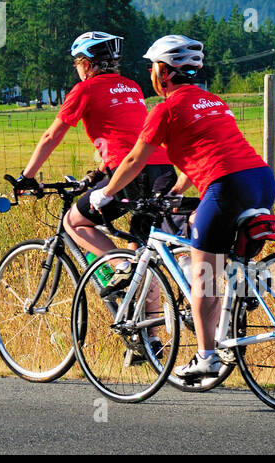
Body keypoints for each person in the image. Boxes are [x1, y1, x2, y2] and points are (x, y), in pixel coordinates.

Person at [88, 35, 275, 380]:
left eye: (152, 67)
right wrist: (176, 189)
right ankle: (246, 284)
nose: (150, 73)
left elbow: (133, 159)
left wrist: (106, 194)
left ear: (164, 72)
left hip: (226, 185)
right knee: (218, 251)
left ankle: (207, 357)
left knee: (204, 274)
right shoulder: (212, 101)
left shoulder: (167, 108)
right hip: (261, 180)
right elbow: (206, 151)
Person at [16, 31, 176, 357]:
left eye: (77, 64)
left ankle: (119, 266)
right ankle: (150, 339)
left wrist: (26, 177)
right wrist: (100, 172)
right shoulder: (131, 86)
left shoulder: (84, 89)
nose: (77, 69)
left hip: (128, 172)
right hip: (161, 170)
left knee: (76, 222)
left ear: (86, 64)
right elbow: (127, 132)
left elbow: (52, 135)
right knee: (142, 252)